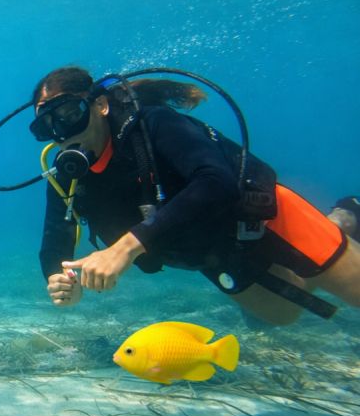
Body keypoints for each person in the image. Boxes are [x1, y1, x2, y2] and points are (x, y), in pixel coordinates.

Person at [33, 66, 360, 325]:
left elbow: (216, 181)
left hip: (262, 218)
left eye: (69, 114)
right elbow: (54, 241)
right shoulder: (68, 176)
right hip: (210, 251)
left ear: (101, 105)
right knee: (283, 316)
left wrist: (125, 249)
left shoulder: (152, 124)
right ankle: (334, 229)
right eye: (47, 127)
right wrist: (60, 281)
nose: (61, 133)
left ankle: (344, 217)